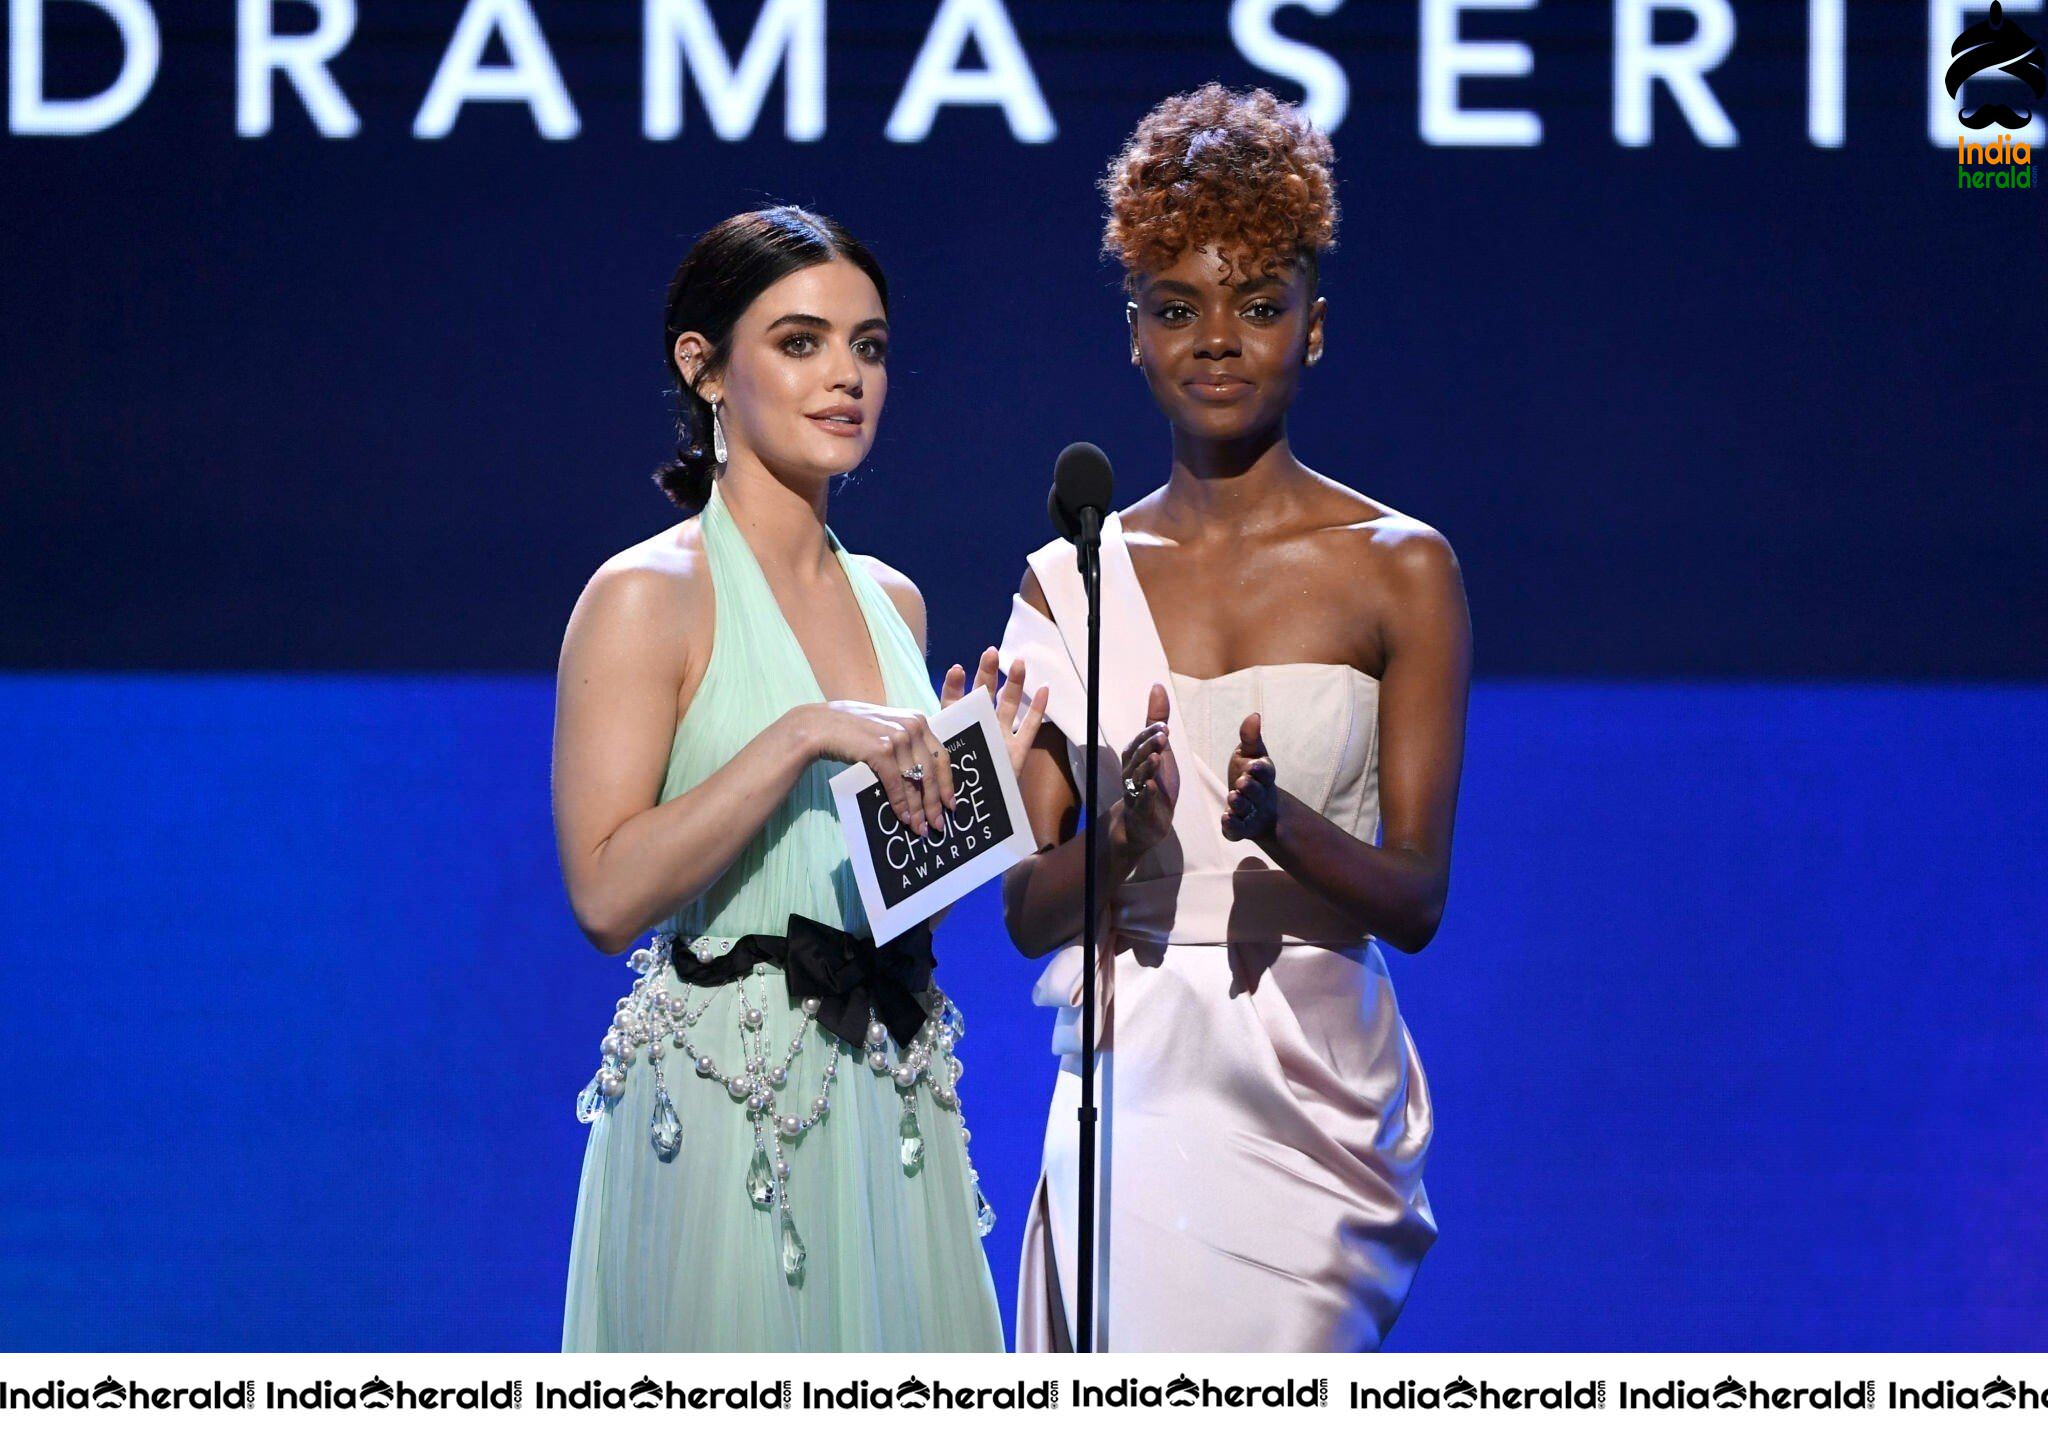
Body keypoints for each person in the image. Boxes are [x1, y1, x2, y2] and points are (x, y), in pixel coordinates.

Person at [998, 86, 1472, 1352]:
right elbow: (1023, 915)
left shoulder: (1399, 568)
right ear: (1135, 337)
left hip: (1313, 1100)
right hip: (1130, 1090)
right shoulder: (1070, 578)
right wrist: (1127, 837)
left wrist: (1278, 824)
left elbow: (1417, 901)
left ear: (1312, 330)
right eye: (1176, 308)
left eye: (1257, 306)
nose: (1217, 339)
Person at [554, 206, 1046, 1352]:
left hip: (889, 1095)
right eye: (799, 341)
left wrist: (987, 802)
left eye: (867, 346)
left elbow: (868, 889)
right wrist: (798, 735)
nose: (845, 377)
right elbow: (603, 893)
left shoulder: (896, 601)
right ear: (705, 367)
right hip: (726, 1107)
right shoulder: (645, 595)